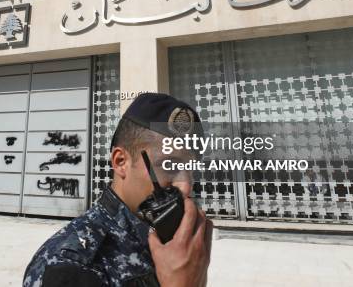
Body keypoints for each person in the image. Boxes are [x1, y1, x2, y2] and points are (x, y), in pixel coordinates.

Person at [23, 93, 213, 286]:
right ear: (121, 162)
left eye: (191, 169)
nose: (186, 186)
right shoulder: (73, 266)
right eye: (169, 165)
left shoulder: (174, 240)